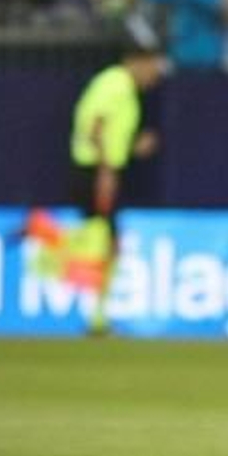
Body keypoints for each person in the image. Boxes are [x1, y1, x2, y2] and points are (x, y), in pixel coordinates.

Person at [62, 41, 168, 335]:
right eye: (153, 68)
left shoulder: (120, 87)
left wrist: (133, 148)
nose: (154, 77)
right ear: (137, 62)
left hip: (100, 169)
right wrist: (107, 169)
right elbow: (94, 125)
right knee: (103, 244)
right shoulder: (116, 84)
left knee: (106, 243)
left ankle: (98, 315)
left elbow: (107, 132)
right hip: (94, 172)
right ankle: (96, 317)